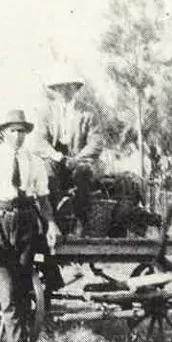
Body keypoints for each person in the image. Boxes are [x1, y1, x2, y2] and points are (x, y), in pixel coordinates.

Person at [0, 109, 59, 342]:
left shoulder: (34, 161)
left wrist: (51, 224)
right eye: (13, 130)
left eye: (22, 131)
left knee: (22, 287)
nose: (18, 136)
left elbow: (42, 199)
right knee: (6, 289)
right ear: (3, 132)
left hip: (25, 223)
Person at [32, 68, 104, 234]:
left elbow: (96, 141)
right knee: (46, 172)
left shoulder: (88, 112)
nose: (65, 91)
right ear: (55, 90)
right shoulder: (45, 112)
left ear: (75, 88)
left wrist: (78, 158)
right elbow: (39, 141)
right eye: (60, 87)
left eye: (69, 86)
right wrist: (58, 157)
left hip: (81, 160)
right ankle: (56, 218)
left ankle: (80, 219)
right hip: (57, 160)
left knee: (83, 172)